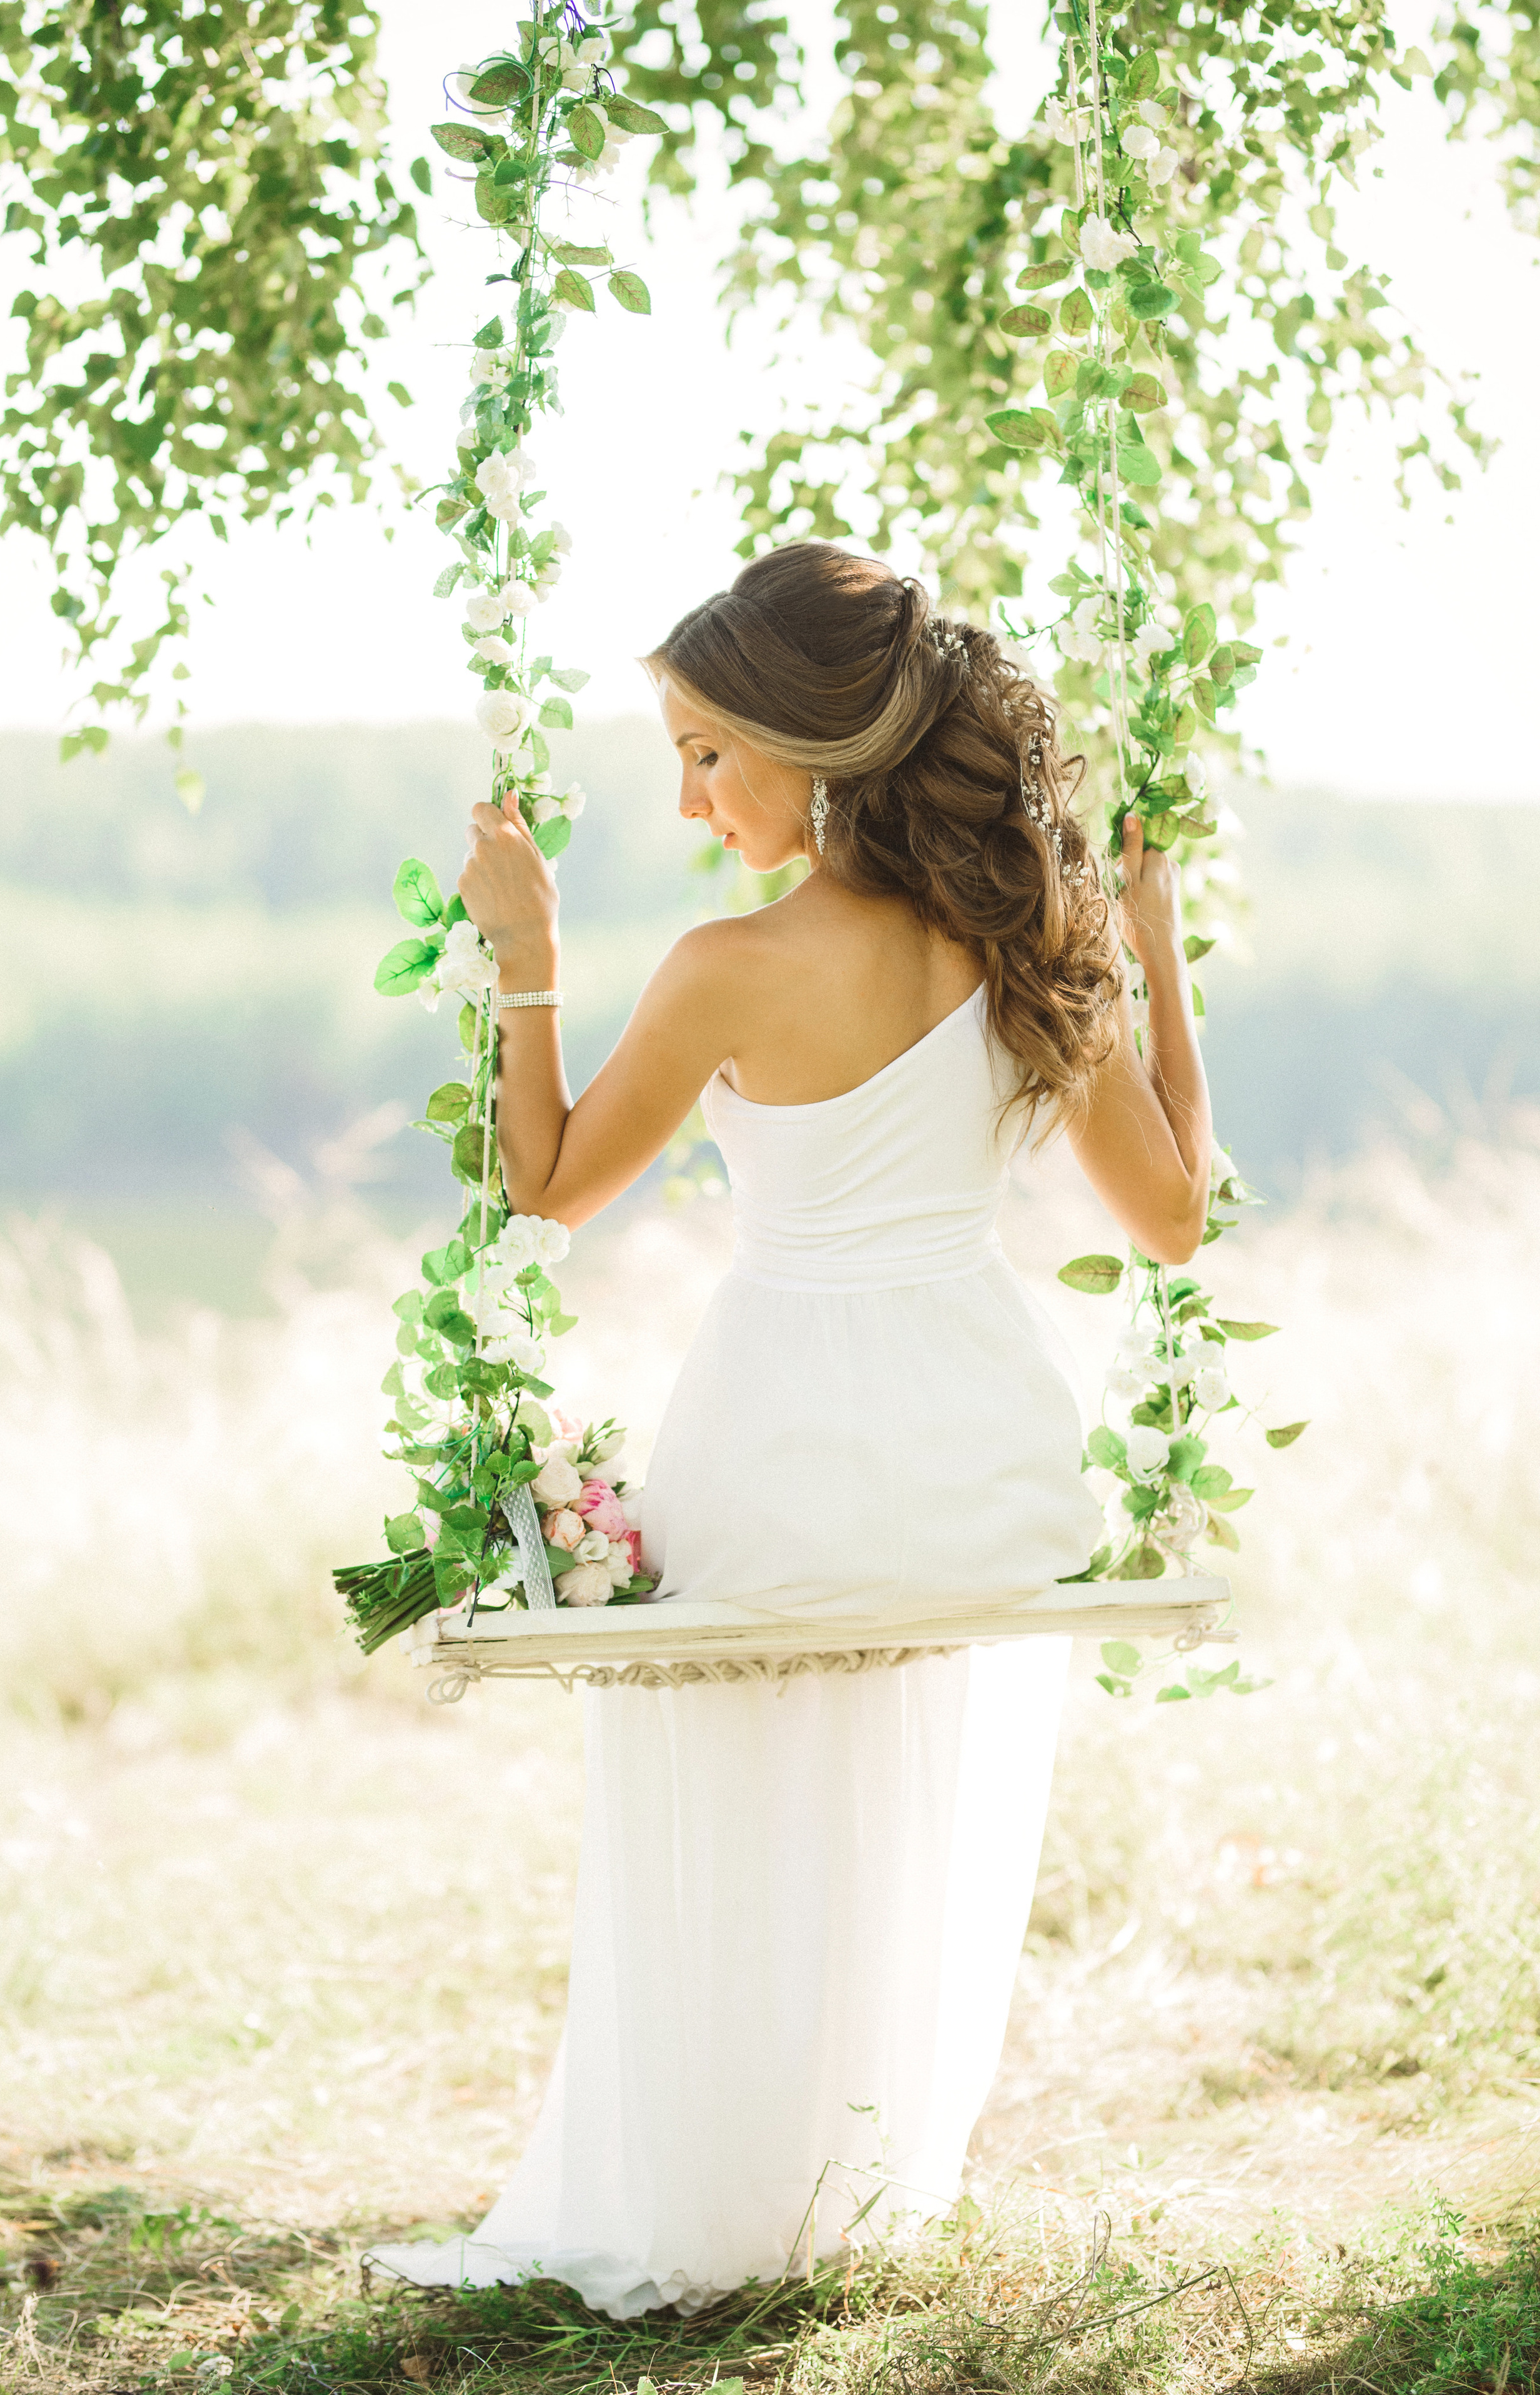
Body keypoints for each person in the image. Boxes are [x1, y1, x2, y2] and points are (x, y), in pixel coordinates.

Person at [363, 543, 1213, 2316]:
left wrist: (527, 958)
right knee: (905, 1772)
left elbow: (540, 1186)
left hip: (778, 1439)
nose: (685, 794)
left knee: (727, 1759)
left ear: (810, 750)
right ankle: (862, 2172)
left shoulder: (722, 967)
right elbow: (1176, 1217)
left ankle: (721, 2190)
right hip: (983, 1466)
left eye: (705, 751)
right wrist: (1154, 963)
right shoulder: (1029, 939)